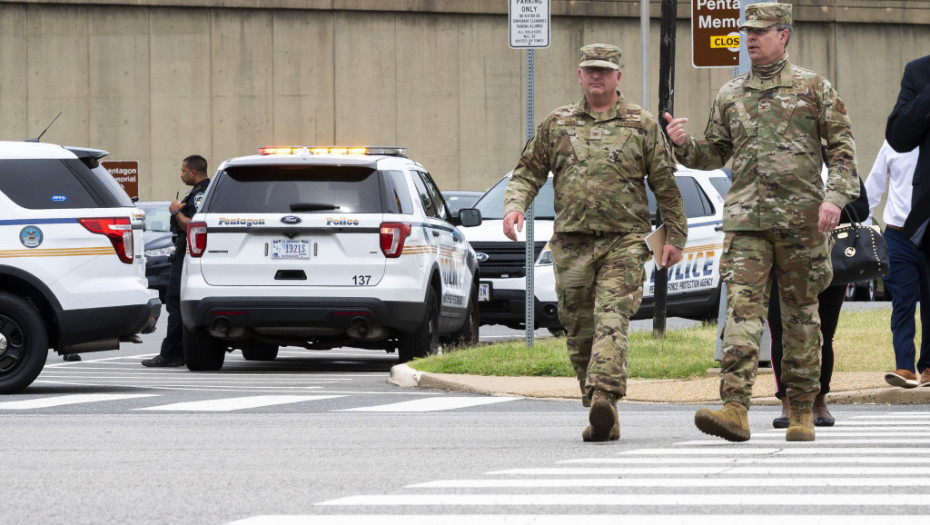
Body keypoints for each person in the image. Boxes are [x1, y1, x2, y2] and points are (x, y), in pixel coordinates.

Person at [664, 3, 859, 442]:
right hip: (746, 223)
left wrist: (833, 199)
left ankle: (803, 411)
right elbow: (713, 153)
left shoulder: (815, 88)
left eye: (759, 31)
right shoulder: (731, 93)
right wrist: (682, 145)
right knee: (743, 313)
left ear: (783, 35)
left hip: (802, 224)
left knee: (801, 318)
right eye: (746, 32)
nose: (749, 38)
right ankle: (735, 407)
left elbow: (844, 155)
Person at [503, 43, 687, 442]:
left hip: (623, 242)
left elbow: (666, 188)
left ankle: (605, 395)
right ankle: (601, 411)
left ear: (618, 76)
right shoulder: (558, 123)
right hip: (570, 245)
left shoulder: (641, 124)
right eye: (590, 70)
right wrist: (514, 206)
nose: (597, 76)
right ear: (580, 75)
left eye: (604, 70)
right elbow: (526, 173)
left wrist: (675, 236)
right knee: (578, 329)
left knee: (611, 320)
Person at [770, 177, 869, 429]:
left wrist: (832, 206)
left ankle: (819, 402)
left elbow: (862, 207)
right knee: (782, 331)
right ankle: (788, 402)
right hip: (782, 254)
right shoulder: (779, 155)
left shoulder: (837, 162)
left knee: (823, 332)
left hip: (831, 257)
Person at [865, 141, 928, 388]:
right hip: (898, 236)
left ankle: (929, 367)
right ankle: (905, 367)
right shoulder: (895, 142)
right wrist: (865, 226)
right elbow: (874, 185)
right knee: (902, 303)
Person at [886, 54, 930, 387]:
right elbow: (898, 136)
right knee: (905, 302)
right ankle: (908, 366)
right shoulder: (919, 73)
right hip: (905, 231)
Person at [142, 155, 210, 368]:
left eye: (183, 171)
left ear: (193, 172)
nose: (180, 174)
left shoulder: (199, 193)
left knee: (174, 300)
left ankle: (172, 353)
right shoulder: (200, 191)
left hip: (187, 254)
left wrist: (176, 212)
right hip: (188, 253)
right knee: (177, 302)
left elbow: (192, 225)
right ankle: (178, 351)